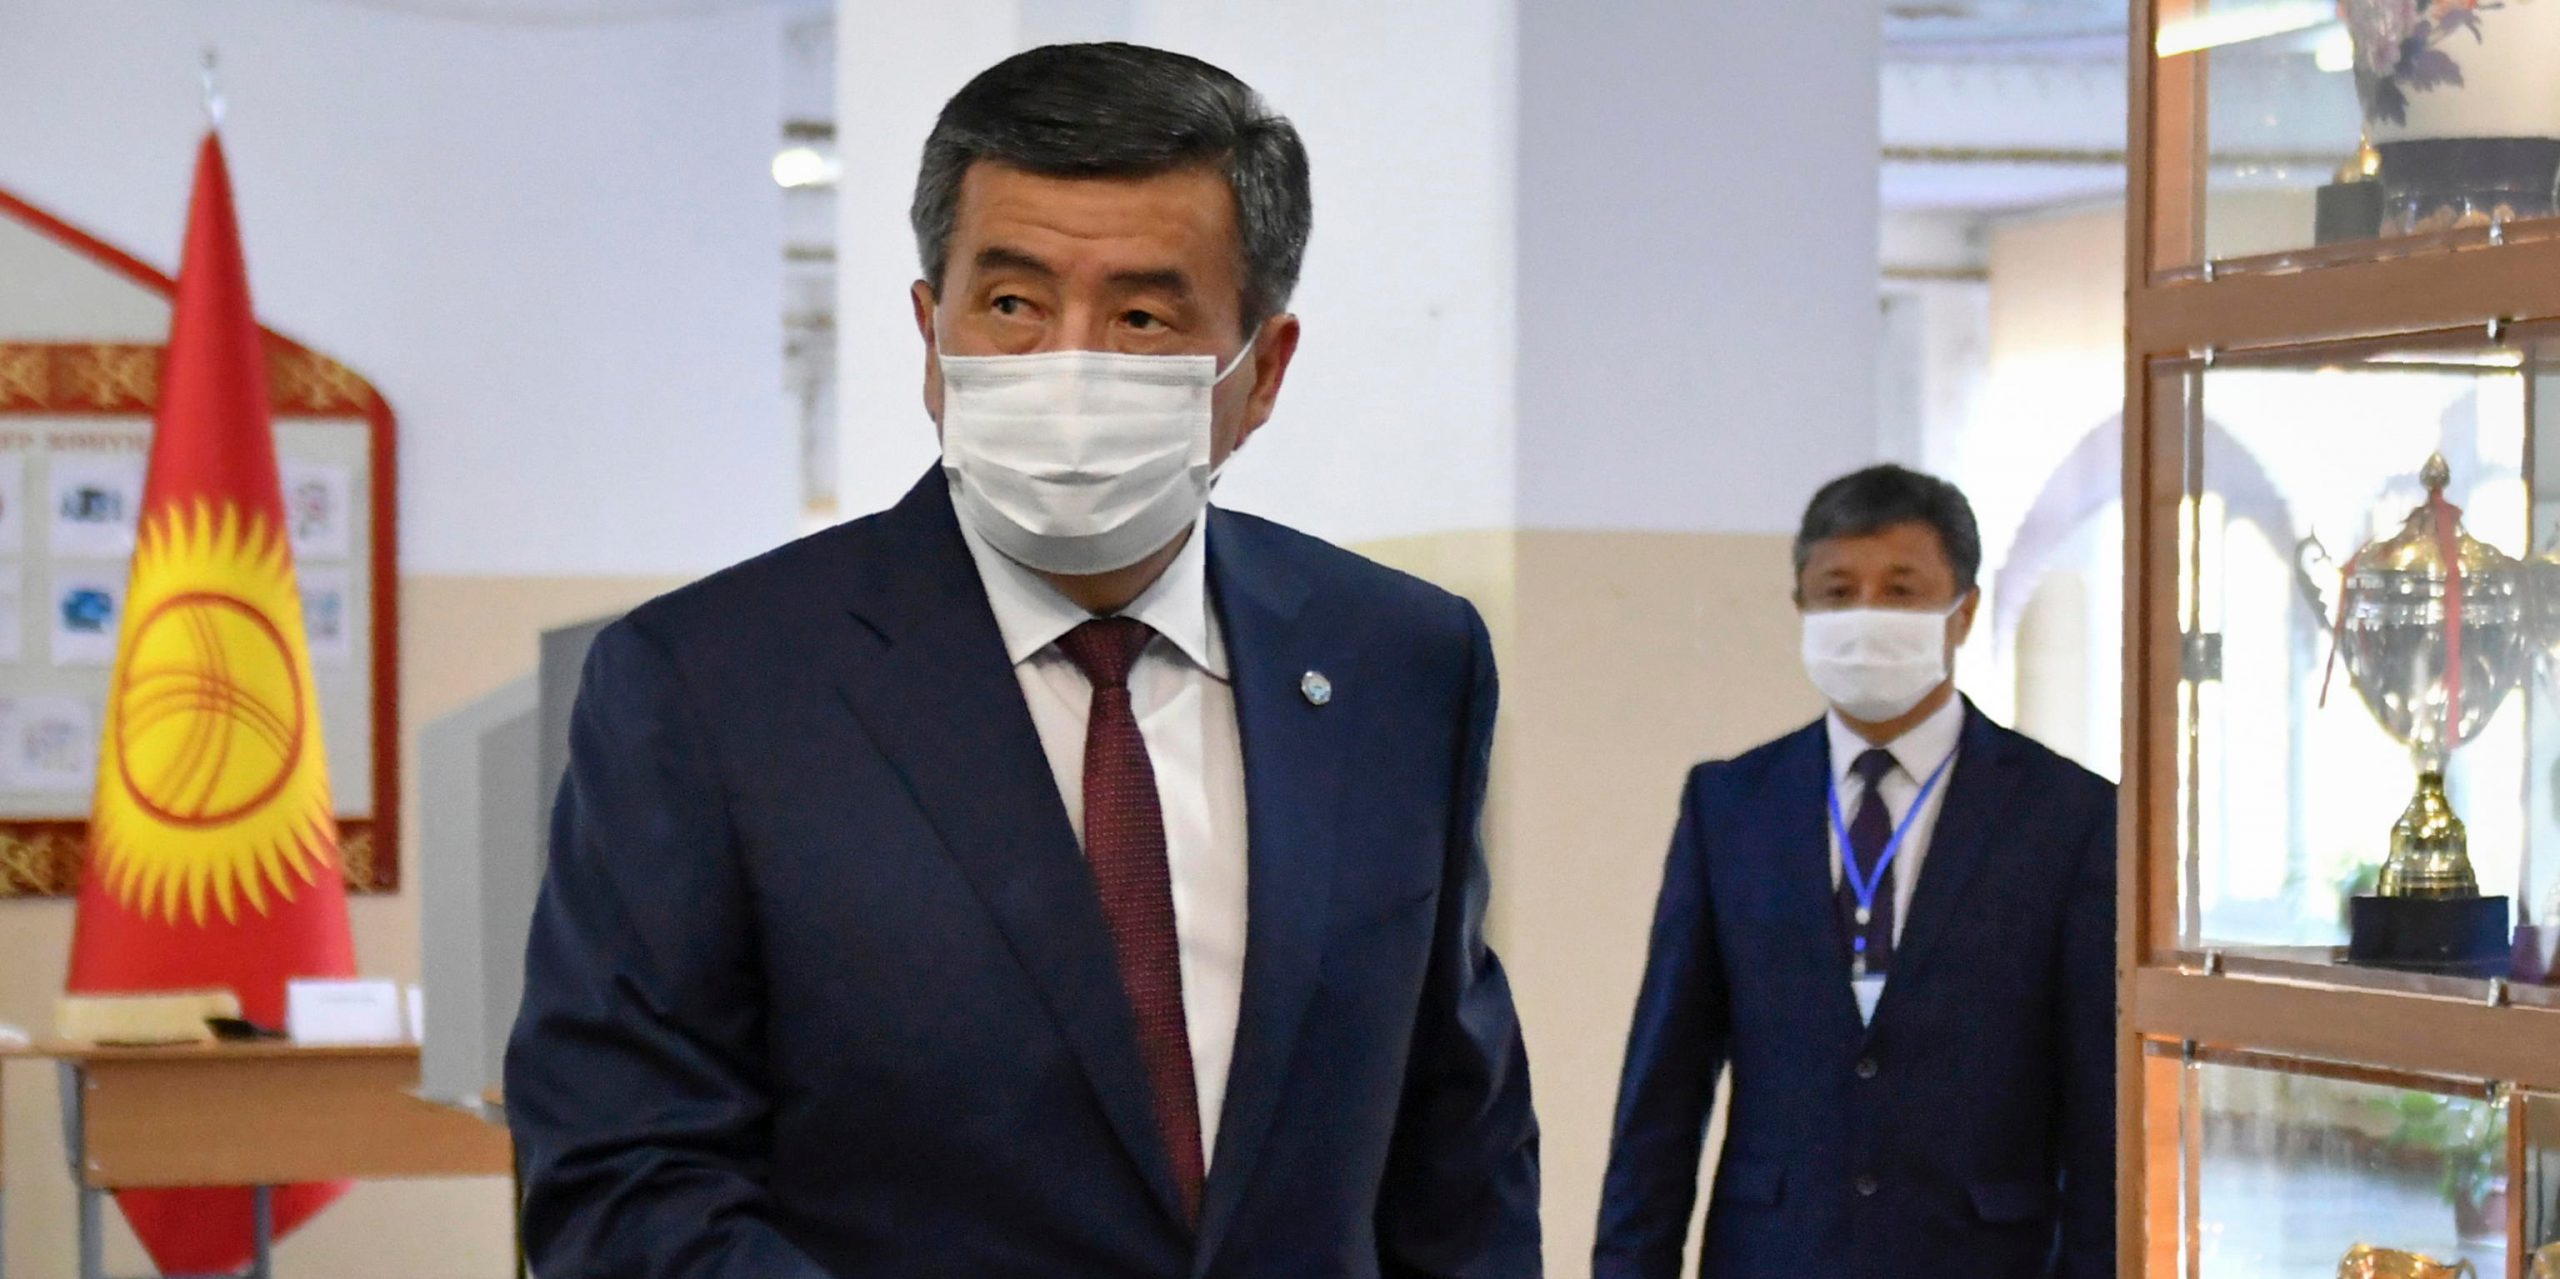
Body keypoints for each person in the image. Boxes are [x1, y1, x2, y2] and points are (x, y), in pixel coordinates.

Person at [503, 41, 1539, 1279]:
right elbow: (626, 1179)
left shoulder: (1400, 663)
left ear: (1261, 370)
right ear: (929, 332)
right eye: (1011, 305)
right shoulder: (709, 685)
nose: (1066, 364)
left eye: (1142, 317)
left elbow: (1457, 1152)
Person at [1592, 464, 2114, 1279]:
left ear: (1963, 610)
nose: (1866, 614)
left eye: (1901, 589)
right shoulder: (1730, 804)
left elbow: (2099, 1103)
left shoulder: (2069, 815)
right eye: (1838, 591)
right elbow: (1665, 1082)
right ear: (1801, 607)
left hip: (1984, 1254)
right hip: (1774, 1252)